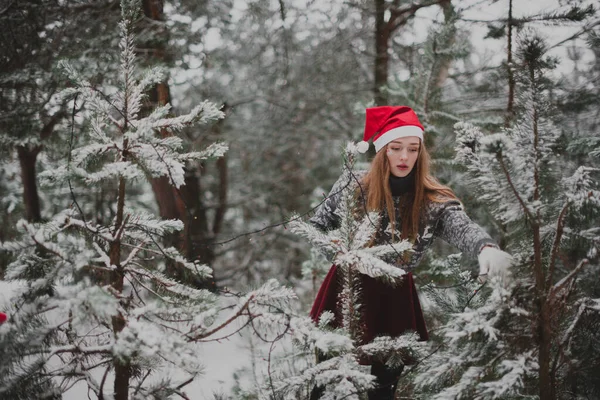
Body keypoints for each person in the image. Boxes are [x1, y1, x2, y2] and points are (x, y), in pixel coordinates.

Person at [308, 106, 513, 400]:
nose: (405, 157)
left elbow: (462, 227)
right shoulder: (353, 184)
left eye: (412, 149)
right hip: (345, 290)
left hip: (394, 298)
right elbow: (318, 225)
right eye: (396, 148)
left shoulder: (432, 199)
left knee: (383, 392)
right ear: (383, 151)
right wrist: (342, 255)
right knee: (326, 387)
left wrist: (486, 247)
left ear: (420, 153)